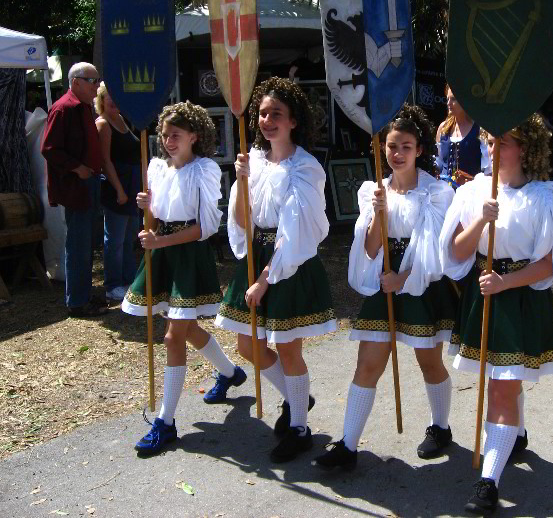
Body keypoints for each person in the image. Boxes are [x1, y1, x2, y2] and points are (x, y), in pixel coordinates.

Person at [439, 115, 553, 515]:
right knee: (500, 381)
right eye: (490, 141)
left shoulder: (545, 197)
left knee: (499, 386)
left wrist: (506, 283)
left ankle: (488, 482)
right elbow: (458, 253)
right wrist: (482, 217)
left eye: (503, 142)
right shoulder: (475, 192)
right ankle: (515, 434)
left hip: (519, 299)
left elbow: (551, 263)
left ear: (525, 149)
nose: (494, 149)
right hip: (484, 295)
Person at [315, 105, 456, 470]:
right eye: (391, 146)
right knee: (367, 364)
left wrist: (403, 279)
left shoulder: (437, 193)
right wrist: (379, 214)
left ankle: (440, 427)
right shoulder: (373, 191)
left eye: (406, 146)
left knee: (429, 362)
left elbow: (434, 252)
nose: (397, 154)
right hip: (384, 282)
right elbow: (371, 249)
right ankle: (347, 445)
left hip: (421, 282)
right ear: (382, 149)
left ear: (419, 150)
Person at [215, 77, 335, 463]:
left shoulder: (306, 167)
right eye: (263, 113)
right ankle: (297, 398)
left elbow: (299, 234)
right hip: (257, 254)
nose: (268, 120)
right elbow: (240, 221)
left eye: (276, 114)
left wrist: (265, 281)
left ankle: (299, 428)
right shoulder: (254, 160)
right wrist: (242, 180)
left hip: (289, 263)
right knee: (248, 344)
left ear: (293, 121)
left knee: (287, 348)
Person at [122, 101, 246, 456]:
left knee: (174, 335)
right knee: (187, 329)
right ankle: (229, 373)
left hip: (188, 254)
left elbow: (205, 227)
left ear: (194, 135)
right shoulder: (157, 167)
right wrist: (147, 207)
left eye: (176, 134)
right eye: (164, 134)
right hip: (162, 255)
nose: (168, 140)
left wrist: (160, 238)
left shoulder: (204, 170)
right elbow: (158, 214)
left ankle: (166, 421)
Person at [41, 62, 105, 318]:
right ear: (76, 82)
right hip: (76, 186)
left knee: (86, 243)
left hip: (88, 183)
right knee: (78, 244)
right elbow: (49, 148)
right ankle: (77, 302)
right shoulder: (64, 108)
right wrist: (77, 167)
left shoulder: (83, 108)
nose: (97, 85)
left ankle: (84, 295)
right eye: (92, 80)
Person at [94, 82, 141, 302]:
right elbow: (105, 161)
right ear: (101, 99)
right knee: (114, 239)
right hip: (117, 187)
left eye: (116, 96)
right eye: (108, 96)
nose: (112, 100)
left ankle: (129, 280)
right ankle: (113, 285)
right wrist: (120, 190)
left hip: (131, 186)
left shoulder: (121, 120)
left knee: (129, 236)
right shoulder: (103, 124)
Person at [435, 85, 491, 188]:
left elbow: (488, 170)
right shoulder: (443, 128)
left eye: (453, 99)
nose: (448, 103)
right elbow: (439, 161)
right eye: (447, 99)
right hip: (443, 192)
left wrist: (471, 180)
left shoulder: (480, 130)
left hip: (470, 193)